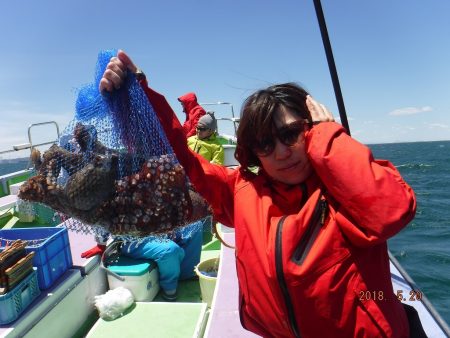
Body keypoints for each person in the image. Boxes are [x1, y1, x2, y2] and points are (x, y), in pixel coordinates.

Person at [100, 50, 420, 338]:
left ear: (313, 128)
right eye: (265, 144)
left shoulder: (346, 187)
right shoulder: (242, 190)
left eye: (291, 133)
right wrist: (134, 97)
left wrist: (329, 140)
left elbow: (390, 212)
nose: (281, 152)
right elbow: (176, 158)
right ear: (253, 152)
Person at [81, 217, 206, 302]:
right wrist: (100, 245)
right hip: (133, 240)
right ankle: (169, 288)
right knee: (169, 250)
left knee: (194, 226)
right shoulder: (116, 188)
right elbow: (101, 216)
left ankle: (186, 273)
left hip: (160, 228)